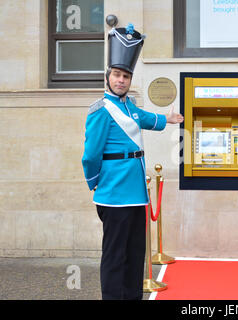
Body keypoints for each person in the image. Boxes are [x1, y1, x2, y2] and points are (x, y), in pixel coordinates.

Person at [81, 24, 183, 300]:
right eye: (117, 75)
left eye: (125, 76)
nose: (121, 80)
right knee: (115, 256)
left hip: (136, 194)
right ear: (108, 77)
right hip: (113, 194)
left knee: (136, 253)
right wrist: (94, 183)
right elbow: (90, 155)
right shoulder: (101, 111)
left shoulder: (130, 107)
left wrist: (168, 120)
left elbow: (145, 119)